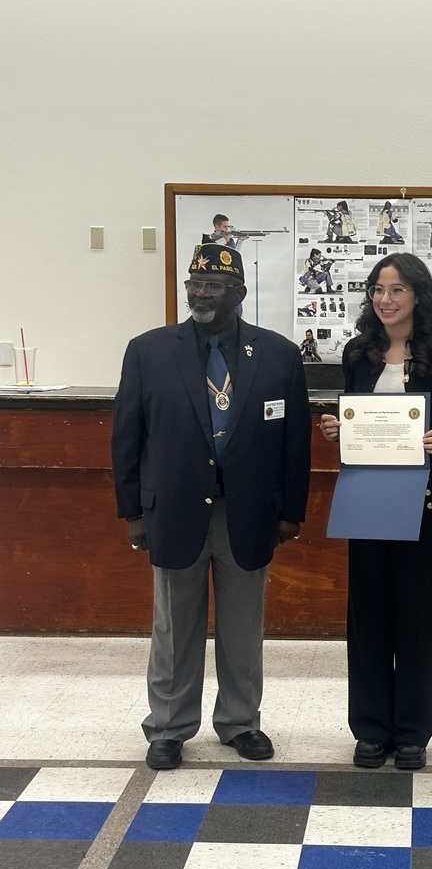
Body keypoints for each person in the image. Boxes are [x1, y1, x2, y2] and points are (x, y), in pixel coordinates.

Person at [112, 243, 312, 770]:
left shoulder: (279, 355)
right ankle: (169, 728)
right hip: (174, 509)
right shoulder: (148, 350)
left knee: (244, 627)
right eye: (195, 283)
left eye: (215, 285)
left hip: (248, 512)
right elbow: (127, 436)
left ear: (240, 293)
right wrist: (132, 510)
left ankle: (241, 722)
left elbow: (295, 443)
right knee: (174, 627)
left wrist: (292, 511)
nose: (202, 293)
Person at [320, 252, 432, 771]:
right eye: (378, 290)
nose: (385, 300)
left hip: (421, 501)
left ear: (418, 296)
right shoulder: (357, 353)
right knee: (365, 613)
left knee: (414, 611)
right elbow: (352, 417)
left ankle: (411, 732)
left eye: (397, 290)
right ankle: (369, 730)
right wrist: (336, 430)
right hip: (365, 497)